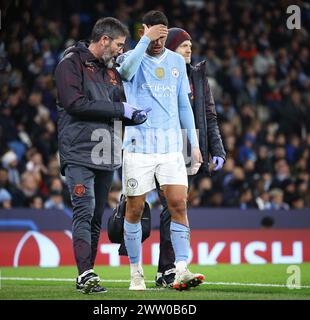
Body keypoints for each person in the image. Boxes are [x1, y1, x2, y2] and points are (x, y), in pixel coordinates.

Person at [54, 17, 148, 294]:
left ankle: (86, 274)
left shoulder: (111, 72)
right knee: (83, 211)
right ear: (104, 40)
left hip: (107, 152)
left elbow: (117, 107)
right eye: (119, 45)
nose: (121, 51)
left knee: (96, 217)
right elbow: (76, 104)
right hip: (79, 151)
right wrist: (122, 111)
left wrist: (135, 116)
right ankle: (85, 273)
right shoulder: (70, 63)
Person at [117, 11, 204, 291]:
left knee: (179, 205)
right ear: (144, 31)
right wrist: (145, 40)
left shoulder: (177, 62)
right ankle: (135, 274)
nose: (158, 42)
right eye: (154, 35)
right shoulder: (130, 57)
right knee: (135, 209)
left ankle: (181, 269)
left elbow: (183, 106)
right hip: (138, 148)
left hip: (170, 150)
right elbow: (124, 73)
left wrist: (194, 143)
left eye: (163, 37)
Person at [154, 28, 227, 288]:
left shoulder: (197, 76)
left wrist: (216, 150)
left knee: (174, 208)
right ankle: (165, 269)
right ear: (171, 49)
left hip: (189, 148)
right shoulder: (158, 72)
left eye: (190, 45)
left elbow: (209, 115)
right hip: (160, 144)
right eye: (184, 45)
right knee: (166, 208)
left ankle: (168, 269)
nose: (189, 49)